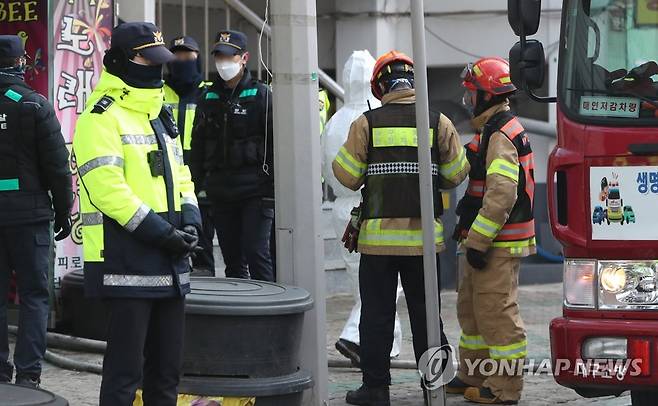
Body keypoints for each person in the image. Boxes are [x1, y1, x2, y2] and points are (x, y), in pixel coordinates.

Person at [73, 22, 202, 405]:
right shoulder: (101, 117)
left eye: (159, 61)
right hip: (126, 260)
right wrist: (160, 232)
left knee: (166, 373)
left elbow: (182, 173)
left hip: (170, 259)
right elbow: (107, 190)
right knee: (124, 374)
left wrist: (191, 218)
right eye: (147, 59)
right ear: (119, 61)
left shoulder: (158, 113)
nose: (156, 69)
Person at [333, 50, 469, 406]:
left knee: (376, 315)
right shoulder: (438, 122)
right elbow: (457, 174)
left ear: (380, 86)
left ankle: (376, 390)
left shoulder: (366, 123)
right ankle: (433, 388)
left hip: (377, 245)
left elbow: (346, 176)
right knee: (427, 316)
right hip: (424, 243)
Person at [447, 57, 535, 405]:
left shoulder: (501, 134)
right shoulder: (492, 130)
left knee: (497, 314)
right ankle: (473, 374)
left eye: (472, 94)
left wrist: (480, 242)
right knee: (472, 310)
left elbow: (501, 194)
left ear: (487, 95)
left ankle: (503, 389)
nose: (468, 101)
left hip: (497, 242)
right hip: (483, 240)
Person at [322, 50, 403, 368]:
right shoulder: (376, 116)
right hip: (374, 208)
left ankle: (386, 344)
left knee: (363, 282)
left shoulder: (334, 121)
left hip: (341, 209)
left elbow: (327, 167)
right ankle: (358, 336)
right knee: (382, 283)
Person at [0, 35, 73, 388]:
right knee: (33, 295)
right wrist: (63, 212)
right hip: (29, 217)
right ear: (20, 63)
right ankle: (28, 375)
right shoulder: (34, 105)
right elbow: (58, 168)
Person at [191, 30, 274, 281]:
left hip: (255, 192)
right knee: (232, 260)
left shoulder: (261, 95)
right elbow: (198, 146)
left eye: (229, 56)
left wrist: (271, 190)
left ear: (244, 58)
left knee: (256, 252)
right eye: (219, 56)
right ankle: (242, 313)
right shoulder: (208, 97)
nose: (223, 62)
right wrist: (194, 187)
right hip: (220, 192)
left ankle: (269, 311)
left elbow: (273, 145)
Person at [164, 36, 215, 275]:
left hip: (201, 178)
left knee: (202, 242)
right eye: (177, 56)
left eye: (188, 56)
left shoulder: (208, 94)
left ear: (199, 59)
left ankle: (207, 290)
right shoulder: (157, 92)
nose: (182, 60)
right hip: (166, 176)